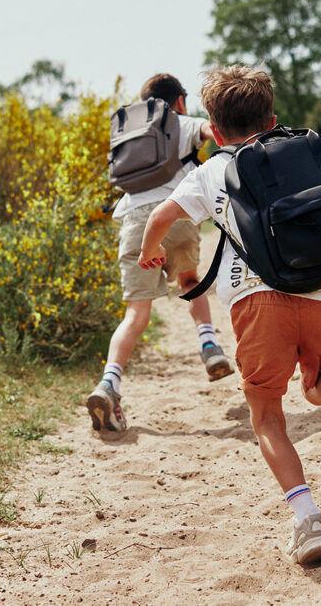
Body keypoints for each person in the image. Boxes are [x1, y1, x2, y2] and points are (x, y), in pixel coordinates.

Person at [138, 65, 321, 565]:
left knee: (266, 414)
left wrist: (151, 254)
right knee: (316, 381)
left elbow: (159, 217)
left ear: (215, 132)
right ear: (273, 120)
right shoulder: (302, 152)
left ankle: (309, 520)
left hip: (257, 302)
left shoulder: (211, 171)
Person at [87, 73, 234, 433]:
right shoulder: (181, 122)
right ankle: (209, 345)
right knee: (190, 282)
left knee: (135, 313)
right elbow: (215, 133)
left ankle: (108, 383)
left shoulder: (129, 133)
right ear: (179, 100)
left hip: (134, 220)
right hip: (175, 212)